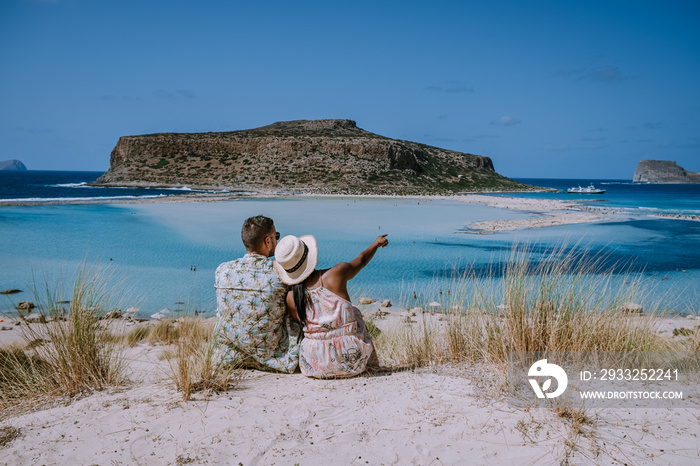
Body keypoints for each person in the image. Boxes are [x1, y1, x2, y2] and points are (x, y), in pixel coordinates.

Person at [274, 233, 388, 378]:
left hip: (314, 365)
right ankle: (369, 363)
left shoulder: (291, 297)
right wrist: (376, 243)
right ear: (309, 256)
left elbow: (300, 322)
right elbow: (362, 260)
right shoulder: (336, 274)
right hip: (353, 360)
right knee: (354, 312)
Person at [214, 215, 300, 373]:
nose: (277, 241)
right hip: (273, 358)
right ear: (268, 242)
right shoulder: (280, 273)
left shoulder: (222, 270)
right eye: (276, 237)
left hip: (228, 357)